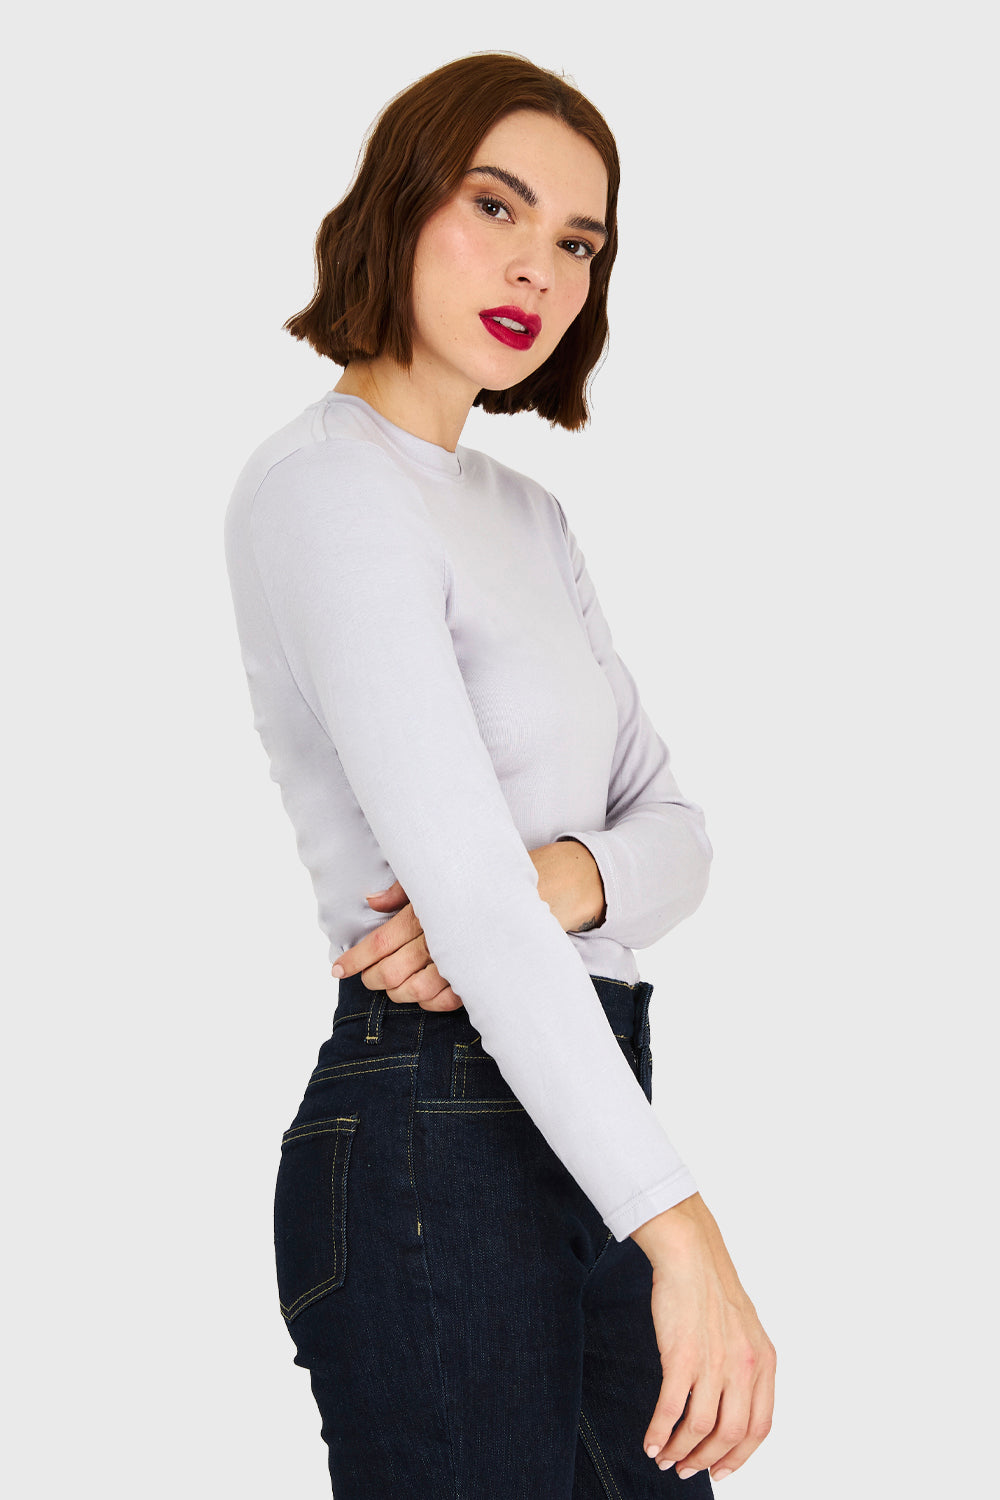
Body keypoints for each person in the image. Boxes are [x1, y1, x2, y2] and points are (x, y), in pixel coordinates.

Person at [224, 51, 775, 1498]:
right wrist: (686, 1233)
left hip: (594, 1106)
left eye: (580, 242)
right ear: (402, 203)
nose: (541, 267)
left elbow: (679, 836)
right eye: (496, 205)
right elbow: (464, 906)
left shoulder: (527, 518)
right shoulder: (326, 488)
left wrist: (560, 879)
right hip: (436, 1127)